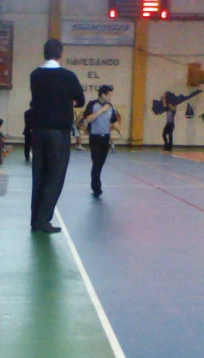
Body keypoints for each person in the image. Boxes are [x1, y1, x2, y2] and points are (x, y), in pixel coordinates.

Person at [29, 38, 85, 233]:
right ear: (60, 53)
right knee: (55, 177)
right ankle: (43, 221)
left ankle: (35, 220)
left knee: (39, 175)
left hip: (38, 132)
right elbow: (81, 100)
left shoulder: (35, 75)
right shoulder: (68, 76)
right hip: (58, 134)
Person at [83, 85, 119, 198]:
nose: (110, 97)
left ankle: (96, 185)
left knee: (101, 163)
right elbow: (88, 119)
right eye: (109, 95)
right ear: (103, 94)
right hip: (95, 137)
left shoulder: (110, 106)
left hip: (105, 138)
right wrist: (101, 110)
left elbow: (113, 121)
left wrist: (119, 130)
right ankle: (96, 188)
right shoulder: (92, 104)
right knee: (96, 163)